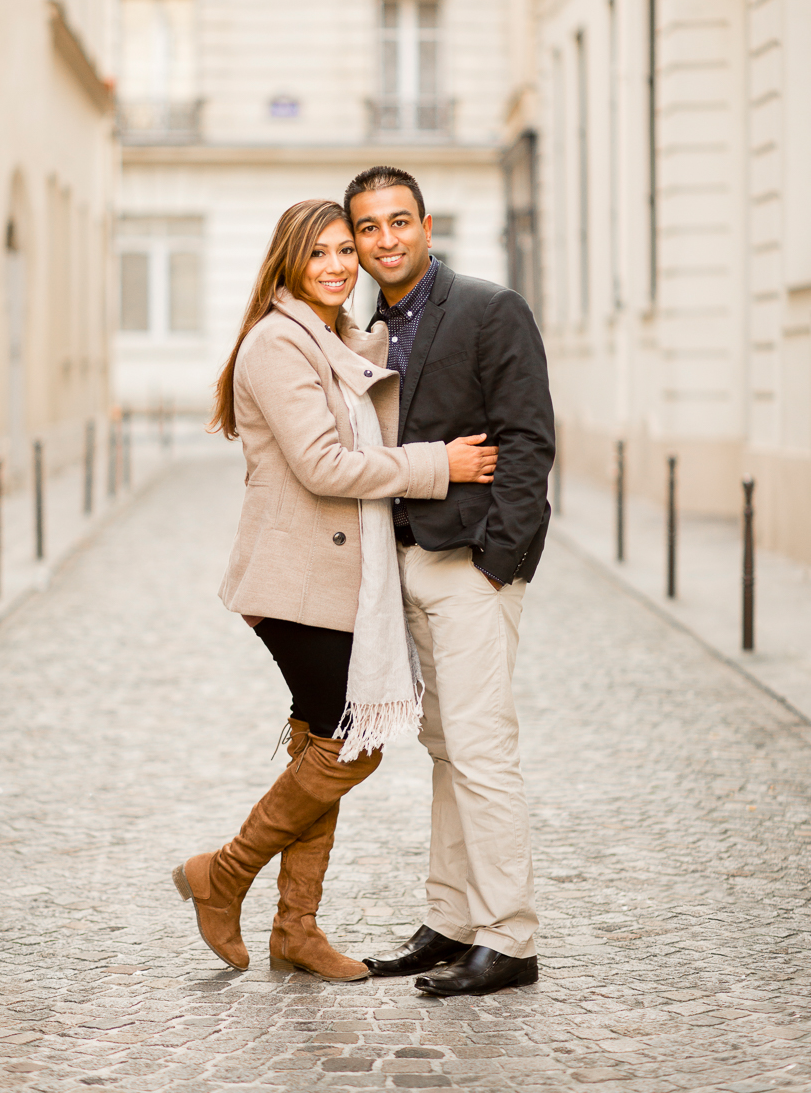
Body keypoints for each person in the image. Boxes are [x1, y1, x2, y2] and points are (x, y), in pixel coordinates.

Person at [171, 198, 499, 983]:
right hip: (297, 584)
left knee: (323, 734)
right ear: (288, 261)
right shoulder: (279, 344)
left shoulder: (334, 338)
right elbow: (324, 466)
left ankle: (296, 929)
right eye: (318, 252)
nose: (337, 265)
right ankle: (221, 874)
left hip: (335, 580)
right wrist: (437, 465)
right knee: (350, 748)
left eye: (344, 251)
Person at [344, 166, 555, 998]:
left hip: (470, 565)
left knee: (481, 751)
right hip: (403, 565)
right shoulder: (371, 325)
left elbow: (528, 441)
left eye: (400, 221)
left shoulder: (488, 308)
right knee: (444, 749)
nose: (385, 238)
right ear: (358, 240)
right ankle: (452, 920)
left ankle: (510, 938)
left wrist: (497, 562)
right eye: (369, 227)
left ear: (427, 227)